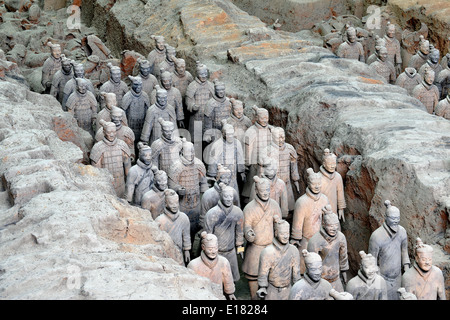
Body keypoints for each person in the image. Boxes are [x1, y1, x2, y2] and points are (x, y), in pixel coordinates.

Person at [242, 176, 281, 300]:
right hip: (255, 248)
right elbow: (246, 226)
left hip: (271, 247)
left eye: (267, 190)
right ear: (256, 191)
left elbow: (279, 225)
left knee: (272, 277)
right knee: (253, 275)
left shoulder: (274, 205)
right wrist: (249, 234)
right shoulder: (249, 208)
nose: (265, 193)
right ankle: (254, 299)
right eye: (262, 190)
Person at [368, 200, 410, 300]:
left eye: (398, 218)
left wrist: (407, 271)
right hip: (382, 279)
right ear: (385, 217)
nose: (396, 221)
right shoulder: (376, 236)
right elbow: (371, 260)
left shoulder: (402, 232)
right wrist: (376, 281)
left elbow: (404, 252)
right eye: (393, 218)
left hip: (398, 277)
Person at [291, 168, 329, 274]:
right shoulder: (302, 202)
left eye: (319, 184)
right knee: (304, 270)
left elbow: (328, 220)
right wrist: (295, 238)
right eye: (313, 184)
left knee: (322, 270)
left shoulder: (325, 199)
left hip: (322, 240)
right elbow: (297, 225)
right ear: (308, 183)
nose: (317, 187)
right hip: (306, 241)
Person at [204, 183, 244, 282]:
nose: (229, 199)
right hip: (216, 253)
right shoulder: (212, 214)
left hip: (231, 251)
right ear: (221, 196)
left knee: (233, 278)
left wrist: (240, 248)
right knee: (217, 279)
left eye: (231, 196)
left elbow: (239, 231)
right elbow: (208, 235)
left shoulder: (238, 212)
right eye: (226, 196)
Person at [257, 215, 301, 300]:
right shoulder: (267, 252)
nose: (285, 236)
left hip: (288, 290)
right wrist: (262, 287)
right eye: (282, 233)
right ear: (276, 233)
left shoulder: (293, 250)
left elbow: (296, 274)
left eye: (287, 233)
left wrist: (298, 288)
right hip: (272, 291)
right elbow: (263, 273)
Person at [307, 205, 348, 292]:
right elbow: (311, 264)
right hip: (320, 281)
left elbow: (343, 256)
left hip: (336, 279)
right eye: (330, 226)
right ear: (324, 224)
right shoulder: (315, 241)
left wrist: (344, 270)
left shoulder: (341, 237)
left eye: (336, 225)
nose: (334, 228)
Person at [187, 232, 236, 300]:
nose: (213, 252)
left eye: (215, 248)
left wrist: (230, 293)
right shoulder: (193, 265)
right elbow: (190, 289)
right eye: (210, 249)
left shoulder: (223, 262)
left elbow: (228, 280)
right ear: (203, 247)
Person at [90, 120, 131, 198]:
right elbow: (96, 176)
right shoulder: (97, 148)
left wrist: (129, 190)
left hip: (121, 187)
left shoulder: (122, 145)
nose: (112, 135)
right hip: (106, 189)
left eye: (114, 132)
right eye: (109, 132)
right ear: (104, 132)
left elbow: (128, 172)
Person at [155, 189, 191, 265]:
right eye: (171, 203)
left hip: (180, 253)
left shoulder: (183, 218)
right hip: (165, 255)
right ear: (165, 203)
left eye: (176, 203)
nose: (174, 206)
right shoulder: (160, 220)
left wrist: (187, 250)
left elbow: (186, 236)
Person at [319, 148, 346, 222]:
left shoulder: (337, 177)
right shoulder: (318, 177)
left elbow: (340, 193)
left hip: (333, 212)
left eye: (334, 164)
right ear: (324, 164)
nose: (332, 166)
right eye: (330, 164)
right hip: (320, 211)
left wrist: (341, 208)